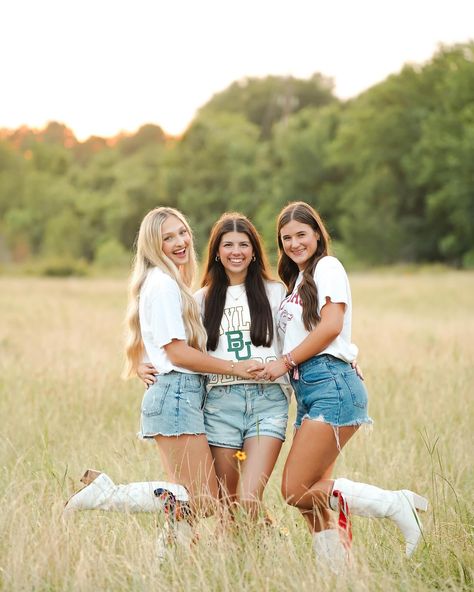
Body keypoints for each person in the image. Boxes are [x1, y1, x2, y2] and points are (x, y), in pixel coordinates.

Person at [64, 207, 261, 551]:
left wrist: (143, 360)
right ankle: (108, 494)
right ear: (154, 245)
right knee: (204, 501)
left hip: (180, 394)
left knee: (184, 500)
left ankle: (165, 564)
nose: (180, 241)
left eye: (182, 232)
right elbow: (178, 352)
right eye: (168, 237)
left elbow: (154, 339)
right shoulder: (164, 284)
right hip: (176, 395)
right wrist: (236, 368)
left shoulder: (169, 283)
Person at [256, 201, 428, 572]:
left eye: (301, 234)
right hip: (310, 388)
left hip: (329, 384)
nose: (294, 243)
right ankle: (337, 571)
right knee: (312, 497)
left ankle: (395, 504)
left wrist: (286, 362)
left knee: (295, 489)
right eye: (286, 238)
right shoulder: (299, 281)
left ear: (317, 233)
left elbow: (332, 325)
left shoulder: (327, 267)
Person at [140, 213, 290, 522]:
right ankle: (233, 565)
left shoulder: (276, 293)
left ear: (255, 251)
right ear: (216, 252)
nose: (236, 252)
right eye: (228, 245)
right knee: (226, 504)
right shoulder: (200, 299)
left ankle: (274, 546)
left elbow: (301, 337)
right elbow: (174, 342)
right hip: (221, 402)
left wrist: (344, 353)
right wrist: (146, 361)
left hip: (268, 403)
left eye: (244, 244)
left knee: (249, 497)